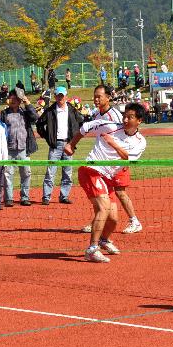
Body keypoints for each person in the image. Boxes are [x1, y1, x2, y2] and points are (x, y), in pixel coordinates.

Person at [70, 102, 148, 262]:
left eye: (130, 117)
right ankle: (92, 248)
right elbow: (86, 127)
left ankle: (104, 240)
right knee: (103, 208)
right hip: (91, 169)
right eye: (125, 116)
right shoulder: (110, 126)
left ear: (139, 120)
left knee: (113, 219)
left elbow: (128, 158)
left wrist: (113, 143)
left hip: (108, 177)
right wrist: (71, 144)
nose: (125, 120)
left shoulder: (140, 141)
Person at [67, 84, 143, 234]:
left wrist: (123, 163)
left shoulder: (114, 116)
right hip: (104, 161)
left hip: (117, 162)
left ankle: (134, 220)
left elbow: (124, 139)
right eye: (94, 96)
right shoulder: (97, 114)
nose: (95, 99)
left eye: (99, 96)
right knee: (102, 194)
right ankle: (98, 220)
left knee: (120, 191)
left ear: (108, 98)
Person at [35, 86, 82, 205]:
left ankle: (64, 196)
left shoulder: (72, 109)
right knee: (50, 172)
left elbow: (81, 122)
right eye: (58, 95)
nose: (60, 98)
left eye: (62, 95)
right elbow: (39, 124)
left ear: (66, 96)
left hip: (69, 144)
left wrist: (73, 141)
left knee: (68, 172)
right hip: (55, 145)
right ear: (55, 96)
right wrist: (48, 137)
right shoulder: (50, 110)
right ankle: (46, 197)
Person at [2, 89, 39, 206]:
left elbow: (35, 117)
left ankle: (25, 197)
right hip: (8, 149)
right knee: (8, 174)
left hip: (24, 148)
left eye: (16, 98)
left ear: (20, 101)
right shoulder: (4, 114)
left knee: (26, 173)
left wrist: (27, 101)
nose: (13, 100)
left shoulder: (25, 112)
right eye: (11, 98)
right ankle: (9, 198)